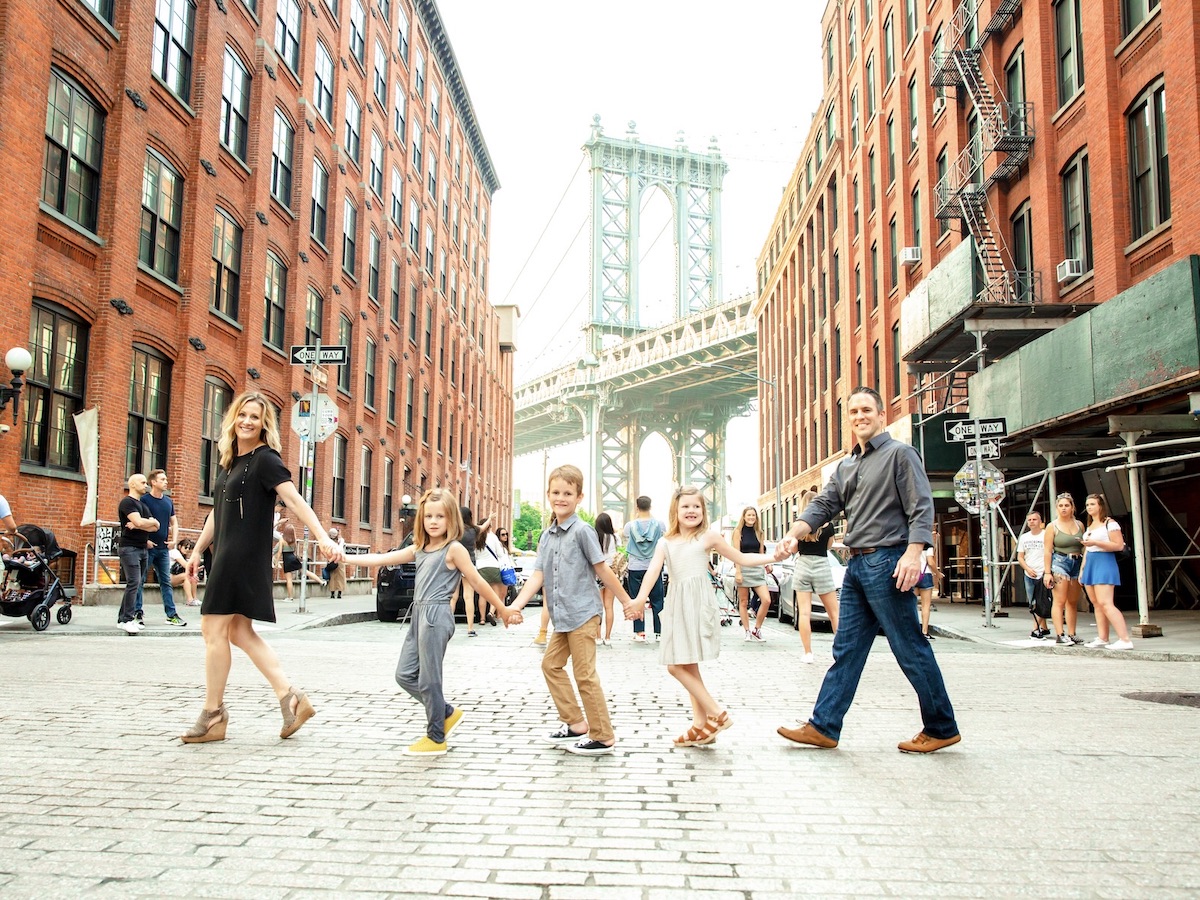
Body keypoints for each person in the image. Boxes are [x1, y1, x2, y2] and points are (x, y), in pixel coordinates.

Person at [774, 386, 960, 754]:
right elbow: (823, 505)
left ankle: (941, 726)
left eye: (866, 410)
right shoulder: (847, 465)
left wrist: (914, 553)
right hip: (857, 564)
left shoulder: (900, 455)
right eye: (854, 411)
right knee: (847, 649)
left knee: (908, 645)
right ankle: (824, 726)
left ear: (880, 415)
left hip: (888, 561)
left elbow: (921, 507)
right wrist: (793, 535)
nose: (859, 416)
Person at [179, 390, 341, 744]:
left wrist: (322, 538)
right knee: (238, 632)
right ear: (233, 419)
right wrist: (197, 552)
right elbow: (215, 512)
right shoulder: (230, 460)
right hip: (225, 551)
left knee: (212, 629)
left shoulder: (267, 460)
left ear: (263, 424)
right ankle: (290, 697)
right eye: (243, 415)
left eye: (255, 417)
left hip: (241, 555)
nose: (247, 421)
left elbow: (295, 500)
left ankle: (213, 713)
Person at [353, 490, 520, 755]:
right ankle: (445, 712)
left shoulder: (453, 549)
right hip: (418, 614)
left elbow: (477, 581)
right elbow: (381, 558)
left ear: (450, 518)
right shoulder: (420, 548)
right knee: (405, 675)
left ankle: (436, 737)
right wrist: (344, 557)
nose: (433, 521)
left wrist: (503, 608)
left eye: (440, 516)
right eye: (428, 516)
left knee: (430, 680)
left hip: (437, 615)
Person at [630, 487, 775, 747]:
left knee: (676, 665)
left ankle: (716, 713)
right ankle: (700, 725)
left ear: (703, 511)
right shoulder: (666, 542)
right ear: (676, 510)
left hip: (698, 603)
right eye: (685, 506)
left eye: (696, 507)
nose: (691, 511)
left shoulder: (708, 538)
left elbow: (741, 557)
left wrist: (774, 556)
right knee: (688, 665)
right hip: (676, 603)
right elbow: (653, 572)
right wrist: (640, 599)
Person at [509, 464, 634, 756]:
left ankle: (603, 736)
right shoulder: (546, 536)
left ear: (579, 497)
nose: (561, 497)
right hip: (563, 617)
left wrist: (627, 601)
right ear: (548, 494)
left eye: (568, 493)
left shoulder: (582, 531)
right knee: (550, 665)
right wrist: (515, 605)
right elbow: (537, 576)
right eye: (556, 492)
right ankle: (576, 723)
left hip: (584, 613)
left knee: (585, 675)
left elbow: (602, 569)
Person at [788, 489, 841, 663]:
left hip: (803, 565)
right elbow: (828, 546)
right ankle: (841, 652)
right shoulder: (828, 525)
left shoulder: (798, 526)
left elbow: (793, 549)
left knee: (804, 613)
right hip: (821, 565)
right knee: (834, 612)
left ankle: (808, 653)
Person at [1080, 493, 1133, 650]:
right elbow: (1087, 549)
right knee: (1096, 603)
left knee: (1106, 603)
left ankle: (1124, 639)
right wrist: (1082, 569)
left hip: (1104, 561)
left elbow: (1118, 545)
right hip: (1090, 562)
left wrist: (1096, 542)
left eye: (1093, 504)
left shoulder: (1110, 523)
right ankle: (1103, 637)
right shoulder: (1090, 525)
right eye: (1087, 504)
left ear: (1100, 506)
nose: (1089, 507)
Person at [141, 469, 185, 627]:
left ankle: (171, 614)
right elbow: (140, 522)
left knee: (166, 582)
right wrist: (145, 540)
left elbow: (174, 523)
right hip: (147, 548)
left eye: (166, 479)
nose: (166, 482)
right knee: (139, 580)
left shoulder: (168, 501)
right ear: (153, 482)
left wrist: (174, 541)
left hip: (163, 549)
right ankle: (138, 613)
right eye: (163, 479)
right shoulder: (144, 500)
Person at [117, 473, 159, 635]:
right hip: (130, 548)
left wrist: (147, 523)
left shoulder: (143, 505)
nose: (145, 485)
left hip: (142, 548)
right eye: (142, 482)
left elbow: (156, 527)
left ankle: (122, 619)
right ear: (132, 484)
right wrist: (148, 523)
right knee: (134, 582)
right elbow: (141, 522)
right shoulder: (127, 502)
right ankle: (127, 619)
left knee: (136, 583)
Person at [1042, 493, 1085, 646]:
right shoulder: (1052, 526)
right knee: (1059, 600)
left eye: (1067, 505)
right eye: (1061, 506)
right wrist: (1047, 572)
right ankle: (1060, 634)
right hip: (1060, 562)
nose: (1064, 508)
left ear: (1072, 507)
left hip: (1077, 561)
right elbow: (1047, 550)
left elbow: (1084, 546)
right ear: (1056, 508)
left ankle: (1072, 633)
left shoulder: (1079, 524)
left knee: (1073, 601)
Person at [623, 495, 666, 642]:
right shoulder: (659, 524)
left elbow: (625, 536)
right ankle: (659, 633)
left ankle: (640, 632)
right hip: (654, 566)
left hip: (635, 567)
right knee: (657, 600)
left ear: (637, 507)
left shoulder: (630, 526)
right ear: (650, 506)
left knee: (637, 599)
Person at [731, 506, 772, 642]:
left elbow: (761, 552)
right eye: (749, 515)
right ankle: (747, 631)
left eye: (753, 515)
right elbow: (736, 553)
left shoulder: (759, 532)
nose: (751, 518)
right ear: (744, 517)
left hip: (757, 568)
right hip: (743, 567)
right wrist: (738, 571)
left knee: (766, 600)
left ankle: (757, 629)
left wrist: (767, 563)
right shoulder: (738, 532)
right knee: (744, 601)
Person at [1016, 511, 1051, 639]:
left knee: (1040, 601)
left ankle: (1035, 629)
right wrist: (1027, 568)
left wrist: (1048, 571)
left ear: (1040, 521)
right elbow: (1020, 557)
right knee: (1033, 602)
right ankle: (1044, 627)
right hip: (1029, 573)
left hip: (1043, 572)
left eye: (1034, 519)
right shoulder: (1024, 537)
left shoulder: (1046, 535)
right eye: (1029, 520)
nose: (1032, 522)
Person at [275, 513, 324, 600]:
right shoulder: (294, 539)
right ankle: (320, 581)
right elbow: (295, 549)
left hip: (287, 559)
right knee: (305, 571)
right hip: (293, 557)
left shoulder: (282, 540)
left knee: (289, 579)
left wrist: (277, 562)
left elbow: (279, 552)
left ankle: (290, 597)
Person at [475, 516, 511, 625]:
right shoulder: (493, 537)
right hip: (494, 566)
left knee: (482, 594)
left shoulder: (476, 537)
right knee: (496, 593)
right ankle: (491, 613)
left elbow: (474, 554)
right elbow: (500, 554)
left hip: (480, 567)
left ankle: (482, 619)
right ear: (489, 526)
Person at [594, 513, 620, 645]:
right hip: (611, 574)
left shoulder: (594, 536)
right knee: (609, 606)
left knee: (597, 607)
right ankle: (608, 637)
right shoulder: (615, 538)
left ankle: (598, 637)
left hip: (597, 573)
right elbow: (615, 554)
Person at [460, 507, 485, 635]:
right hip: (469, 563)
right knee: (468, 596)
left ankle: (446, 627)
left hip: (454, 563)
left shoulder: (454, 530)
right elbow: (483, 527)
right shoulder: (474, 530)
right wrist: (490, 518)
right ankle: (470, 628)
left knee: (451, 597)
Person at [916, 546, 943, 641]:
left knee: (910, 605)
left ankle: (913, 631)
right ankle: (924, 632)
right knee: (925, 606)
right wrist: (938, 573)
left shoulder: (909, 542)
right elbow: (930, 562)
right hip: (925, 574)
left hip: (912, 574)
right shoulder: (927, 545)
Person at [171, 537, 199, 607]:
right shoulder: (175, 552)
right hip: (167, 577)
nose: (187, 550)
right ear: (180, 546)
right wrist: (195, 568)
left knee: (193, 576)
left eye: (189, 548)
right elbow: (186, 565)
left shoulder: (183, 556)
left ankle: (194, 599)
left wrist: (195, 572)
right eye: (185, 547)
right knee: (186, 576)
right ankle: (190, 600)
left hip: (174, 577)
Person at [324, 526, 347, 598]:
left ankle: (332, 593)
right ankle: (340, 593)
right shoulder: (341, 540)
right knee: (341, 576)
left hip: (331, 559)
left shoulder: (328, 541)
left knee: (332, 576)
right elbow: (341, 548)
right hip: (340, 559)